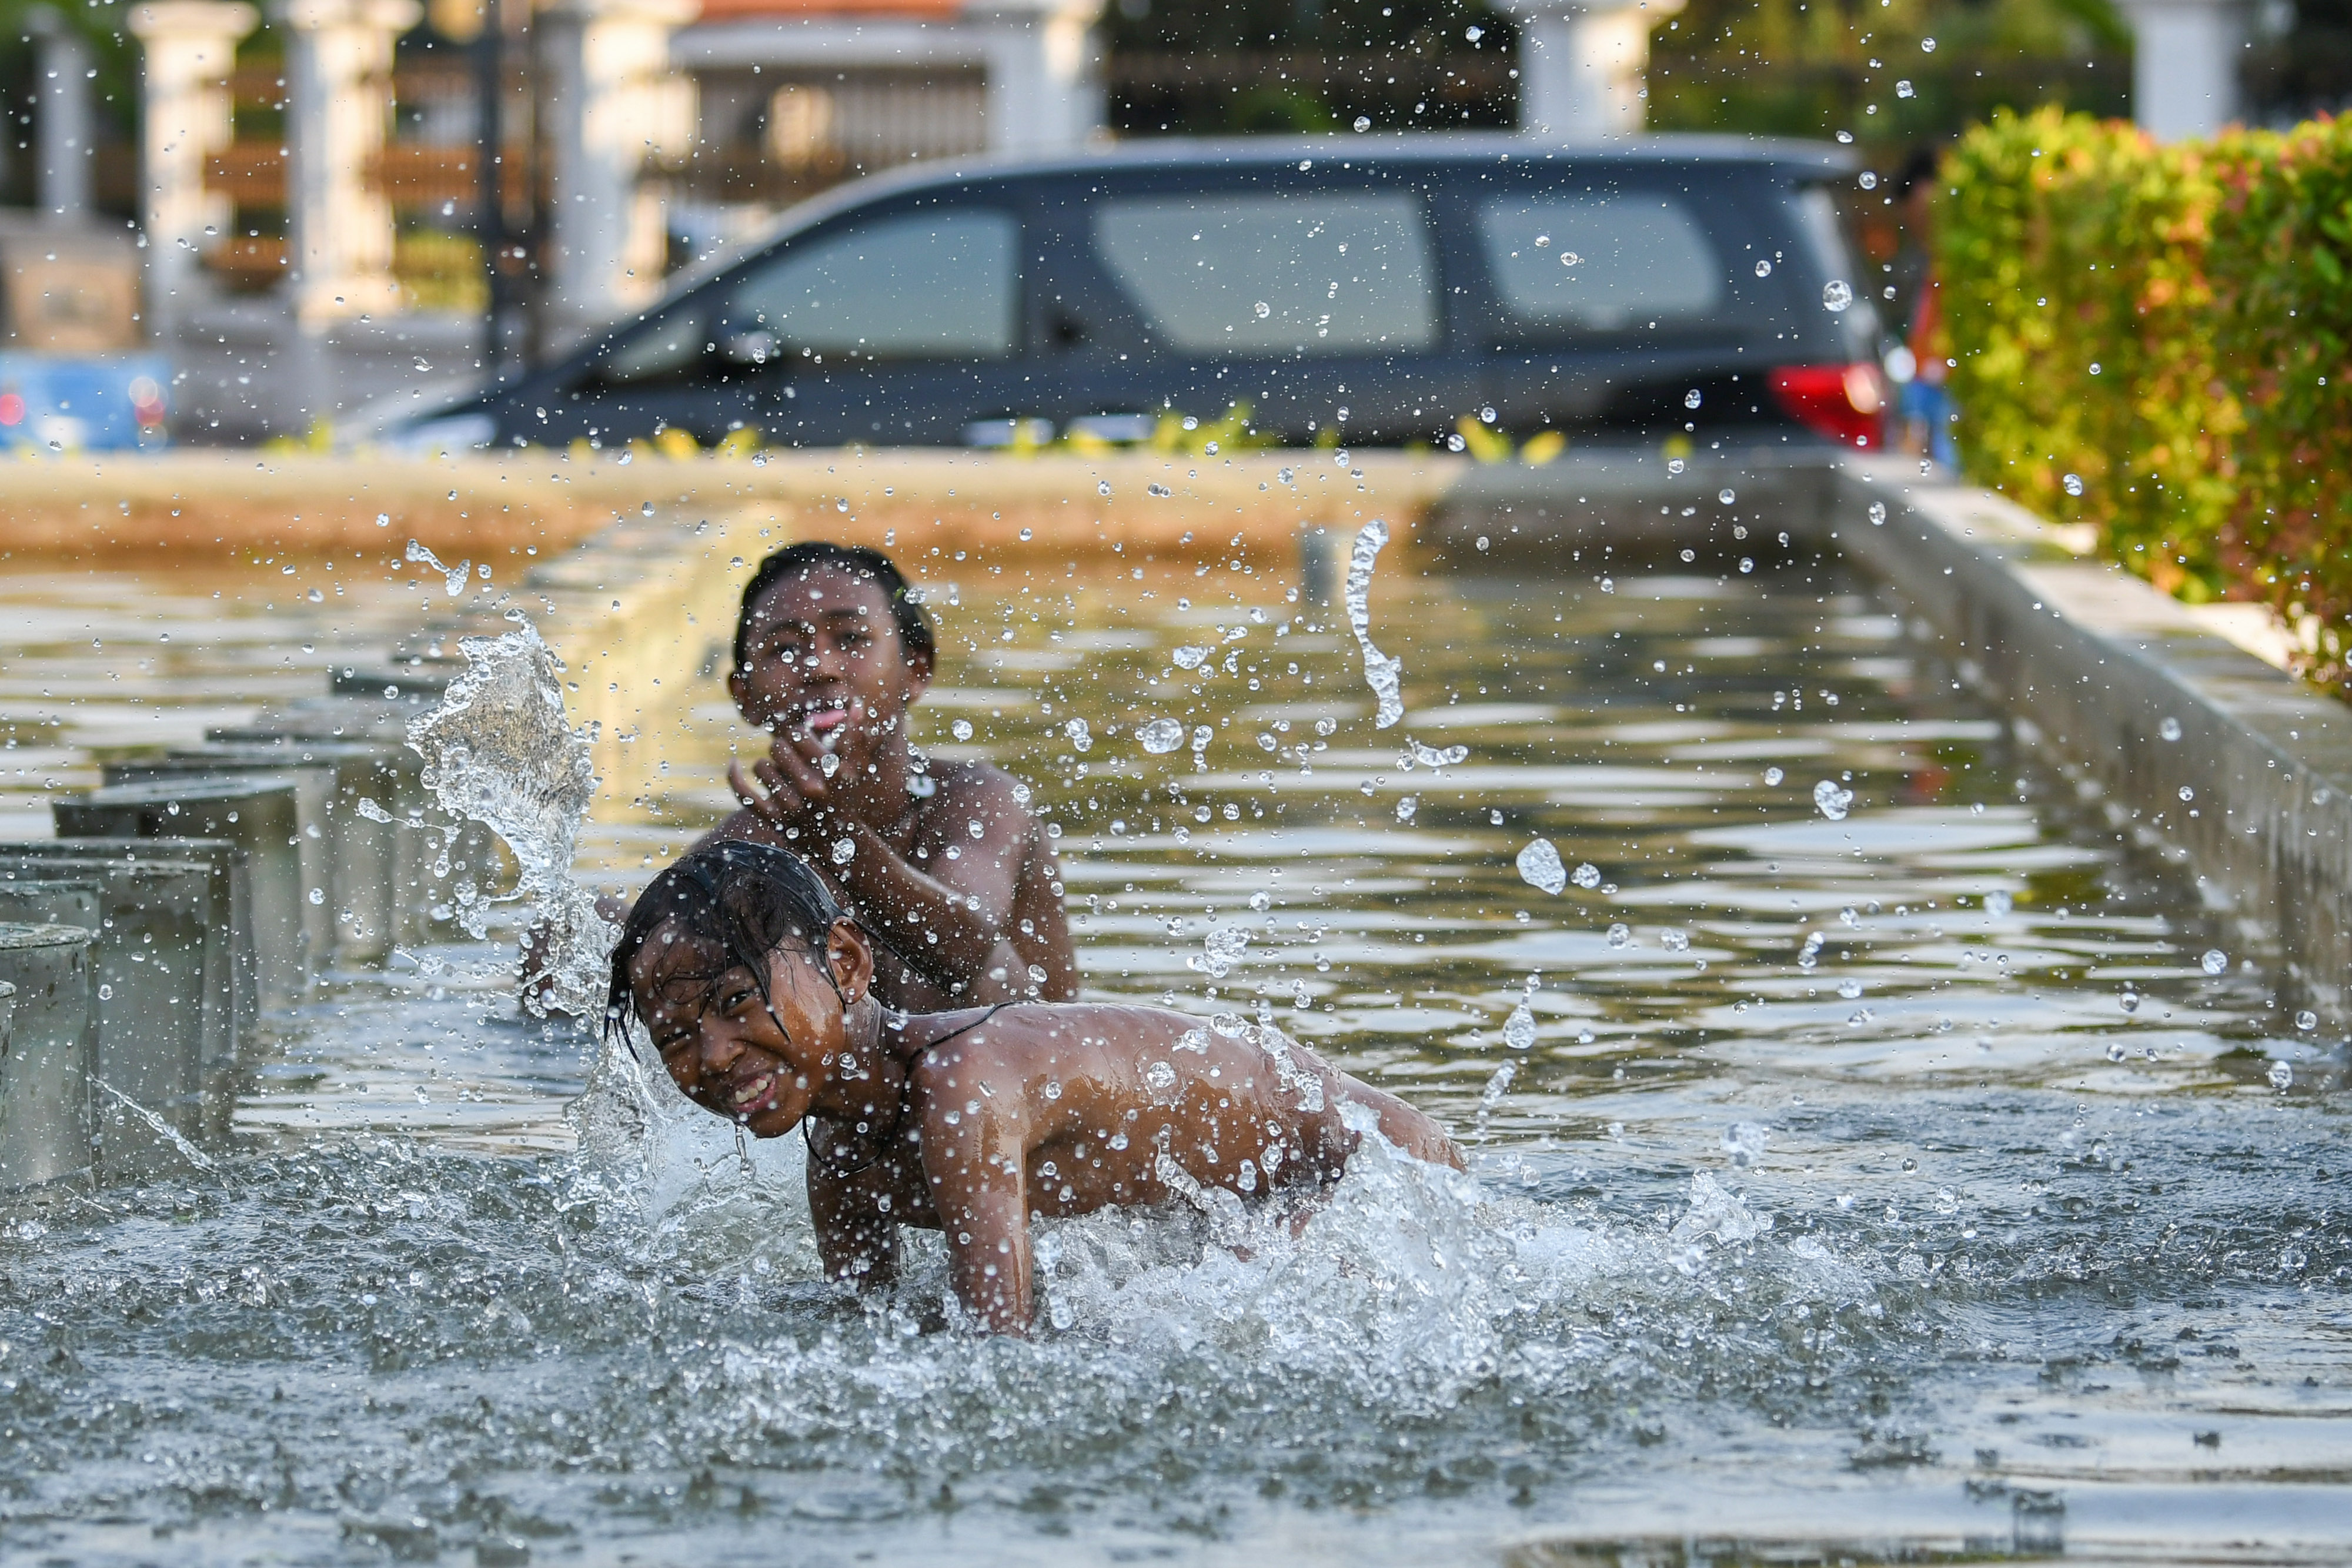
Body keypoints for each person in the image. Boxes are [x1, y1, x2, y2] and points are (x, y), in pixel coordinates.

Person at [609, 840, 1464, 1334]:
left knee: (1183, 1335)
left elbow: (1000, 1359)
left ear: (848, 961)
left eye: (732, 1000)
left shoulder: (962, 1083)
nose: (712, 1055)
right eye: (677, 1034)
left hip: (1378, 1172)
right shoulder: (838, 1147)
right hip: (1294, 1195)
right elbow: (862, 1323)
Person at [705, 541, 1077, 1008]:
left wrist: (836, 838)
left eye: (851, 639)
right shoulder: (738, 855)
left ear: (916, 669)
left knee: (993, 970)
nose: (819, 666)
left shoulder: (980, 801)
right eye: (784, 648)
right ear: (746, 696)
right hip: (873, 1078)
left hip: (1032, 1066)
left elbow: (967, 952)